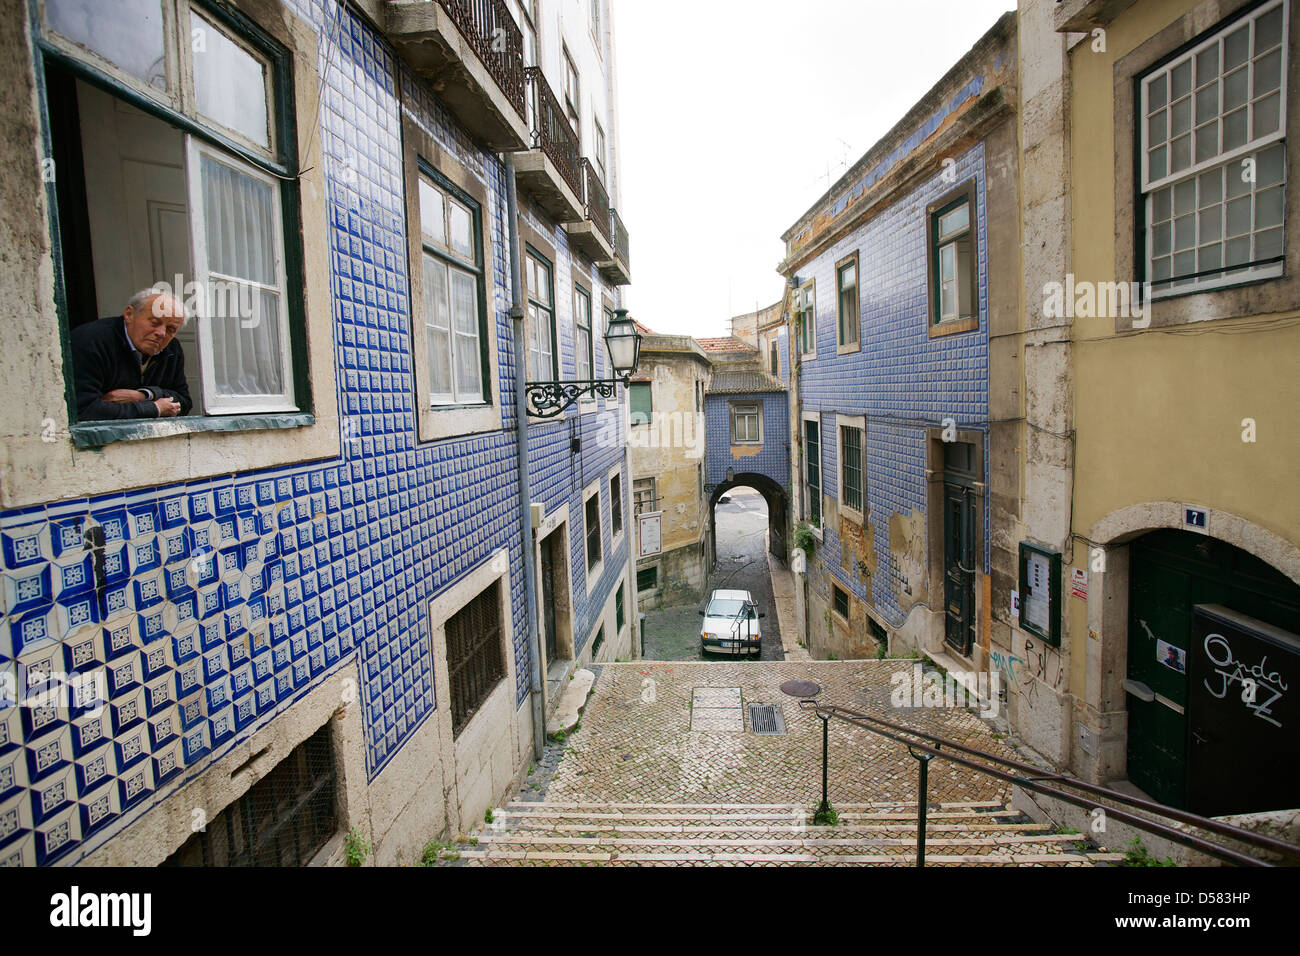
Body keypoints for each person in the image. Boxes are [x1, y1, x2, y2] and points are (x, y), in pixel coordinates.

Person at [71, 288, 193, 421]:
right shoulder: (90, 340)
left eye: (171, 329)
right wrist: (154, 408)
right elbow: (84, 409)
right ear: (129, 315)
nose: (161, 333)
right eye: (154, 323)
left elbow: (184, 402)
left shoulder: (172, 348)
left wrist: (144, 395)